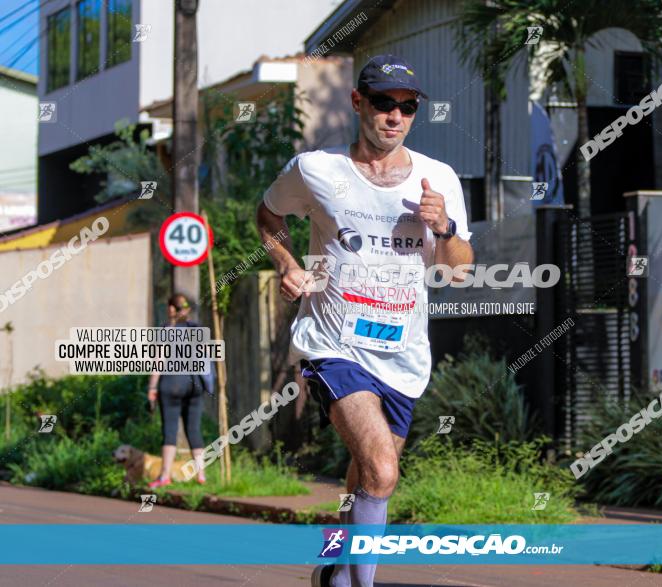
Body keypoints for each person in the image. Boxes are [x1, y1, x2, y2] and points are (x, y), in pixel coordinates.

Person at [256, 54, 474, 587]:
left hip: (403, 353)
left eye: (406, 107)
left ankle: (334, 568)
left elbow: (461, 271)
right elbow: (268, 215)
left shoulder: (437, 179)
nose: (395, 116)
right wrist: (287, 264)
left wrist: (443, 227)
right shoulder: (316, 169)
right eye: (383, 103)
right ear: (359, 103)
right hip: (334, 344)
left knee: (366, 475)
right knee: (382, 469)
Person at [146, 293, 210, 488]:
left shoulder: (167, 329)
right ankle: (201, 475)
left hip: (171, 383)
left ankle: (164, 476)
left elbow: (159, 360)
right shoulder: (197, 329)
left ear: (172, 309)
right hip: (194, 385)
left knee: (170, 431)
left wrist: (152, 387)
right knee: (194, 430)